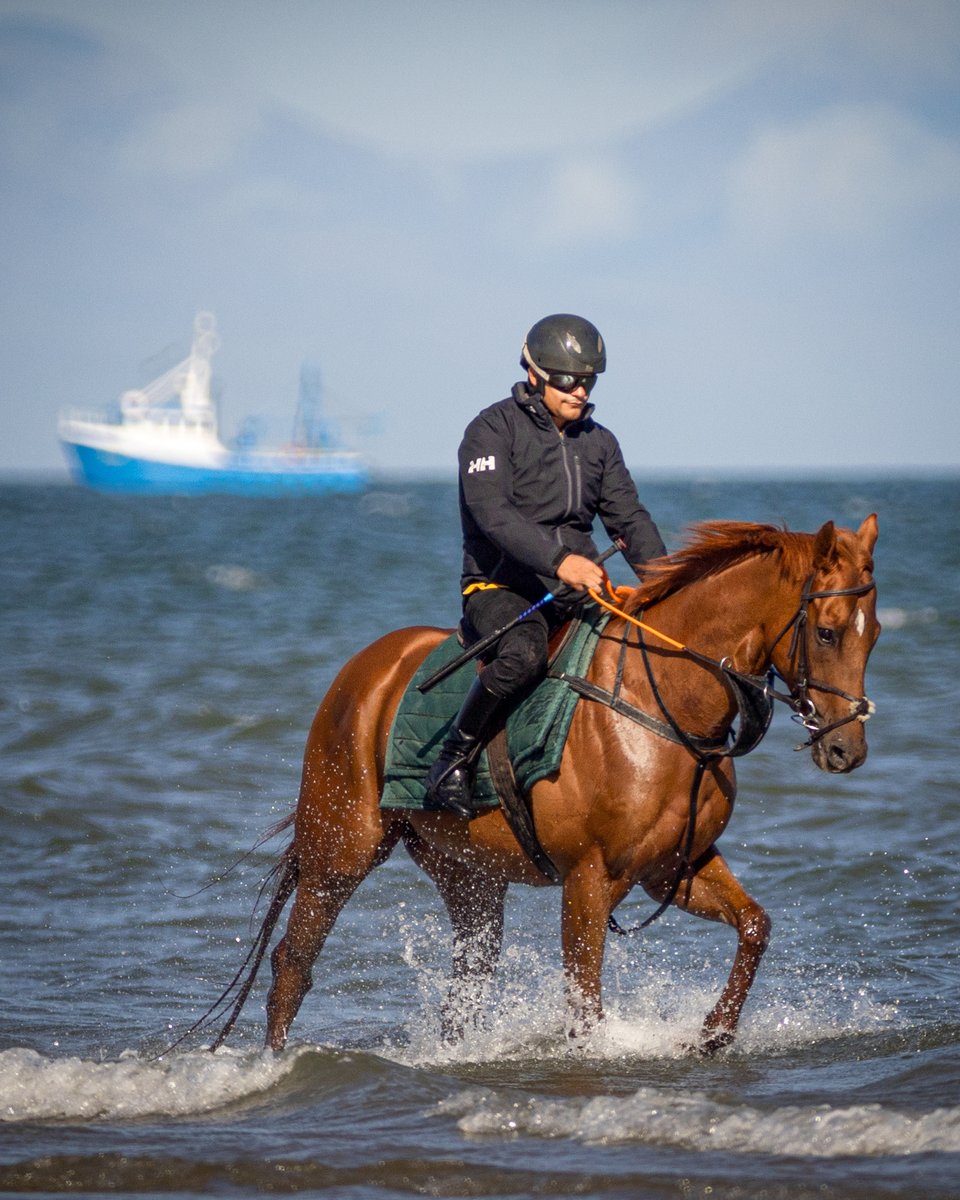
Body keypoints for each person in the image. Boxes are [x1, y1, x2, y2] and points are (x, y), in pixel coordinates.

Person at [424, 313, 667, 819]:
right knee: (524, 654)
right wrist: (561, 562)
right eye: (567, 380)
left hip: (578, 592)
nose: (580, 391)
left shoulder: (600, 442)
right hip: (500, 590)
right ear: (535, 373)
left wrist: (667, 584)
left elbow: (629, 520)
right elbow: (493, 515)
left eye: (588, 381)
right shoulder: (490, 430)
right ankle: (453, 759)